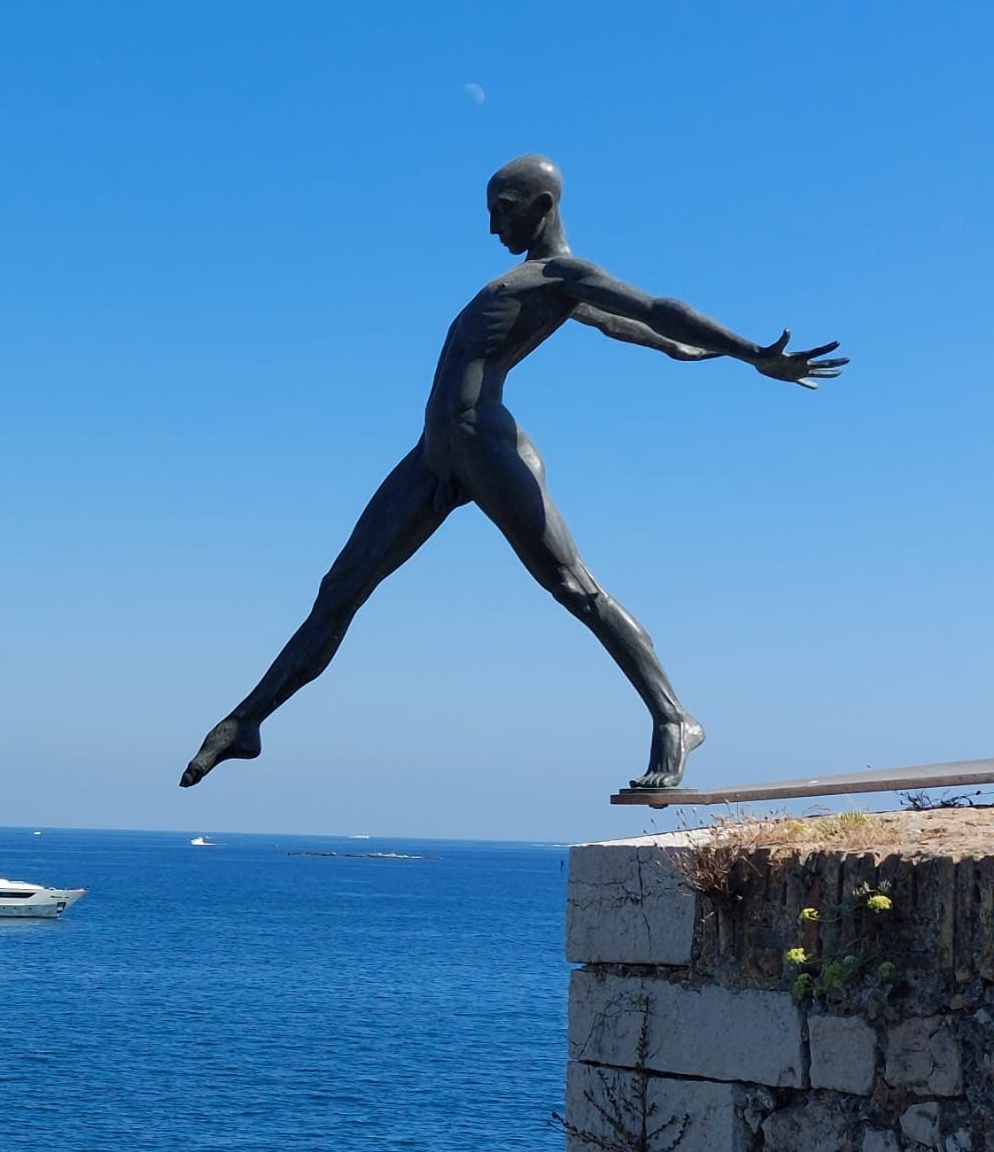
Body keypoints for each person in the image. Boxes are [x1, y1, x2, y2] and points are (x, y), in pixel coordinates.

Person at [179, 154, 845, 792]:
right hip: (434, 455)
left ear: (543, 205)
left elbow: (651, 306)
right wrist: (672, 347)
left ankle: (676, 719)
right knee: (340, 587)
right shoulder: (540, 283)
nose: (492, 225)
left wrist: (748, 352)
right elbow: (624, 325)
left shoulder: (564, 272)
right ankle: (248, 721)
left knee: (573, 586)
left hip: (485, 443)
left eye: (503, 210)